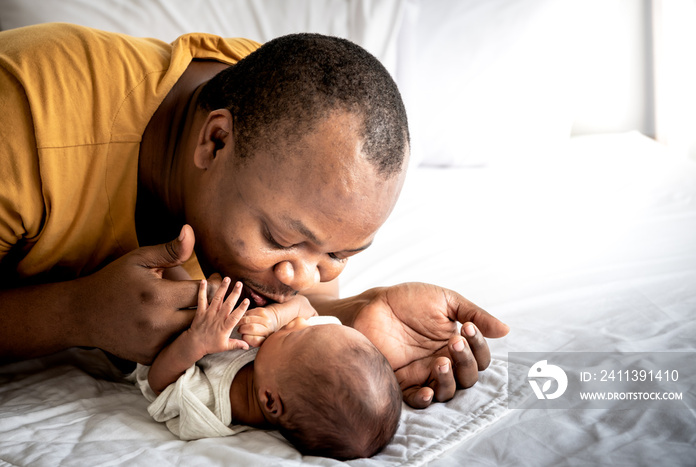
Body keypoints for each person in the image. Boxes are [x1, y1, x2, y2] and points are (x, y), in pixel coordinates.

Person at [0, 23, 510, 409]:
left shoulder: (283, 121)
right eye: (280, 237)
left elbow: (300, 299)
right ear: (215, 141)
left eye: (337, 255)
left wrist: (351, 314)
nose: (301, 277)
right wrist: (75, 313)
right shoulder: (21, 125)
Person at [132, 277, 402, 460]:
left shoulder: (212, 406)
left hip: (150, 329)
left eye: (295, 336)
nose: (298, 324)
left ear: (270, 400)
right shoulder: (310, 350)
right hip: (209, 287)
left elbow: (159, 382)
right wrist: (275, 317)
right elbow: (306, 308)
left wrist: (196, 343)